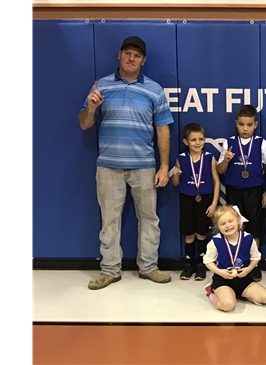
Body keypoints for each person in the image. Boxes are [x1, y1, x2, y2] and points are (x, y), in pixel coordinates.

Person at [79, 36, 174, 289]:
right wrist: (90, 108)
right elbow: (84, 124)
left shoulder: (154, 90)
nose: (131, 59)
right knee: (109, 219)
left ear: (143, 60)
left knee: (149, 219)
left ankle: (149, 267)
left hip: (144, 166)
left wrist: (164, 167)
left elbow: (163, 130)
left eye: (137, 55)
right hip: (108, 166)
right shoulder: (101, 87)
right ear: (119, 55)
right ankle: (110, 270)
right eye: (127, 54)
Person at [216, 105, 266, 282]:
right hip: (234, 192)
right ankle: (233, 262)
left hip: (254, 191)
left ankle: (253, 266)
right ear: (236, 124)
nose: (245, 128)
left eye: (249, 124)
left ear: (255, 124)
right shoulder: (229, 143)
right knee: (234, 228)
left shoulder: (262, 143)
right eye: (241, 124)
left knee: (254, 228)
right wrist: (226, 159)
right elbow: (220, 170)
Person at [171, 123, 219, 281]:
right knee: (189, 234)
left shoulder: (209, 158)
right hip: (187, 200)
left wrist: (213, 204)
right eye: (193, 140)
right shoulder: (181, 159)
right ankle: (189, 264)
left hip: (205, 199)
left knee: (202, 233)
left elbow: (216, 182)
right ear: (186, 142)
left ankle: (201, 265)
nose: (198, 143)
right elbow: (176, 184)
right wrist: (176, 174)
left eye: (201, 139)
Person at [202, 206, 266, 311]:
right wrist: (220, 272)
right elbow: (208, 261)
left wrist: (248, 269)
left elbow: (256, 257)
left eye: (230, 221)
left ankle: (238, 294)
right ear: (217, 226)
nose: (228, 226)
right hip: (223, 279)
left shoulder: (248, 238)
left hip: (243, 279)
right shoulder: (215, 241)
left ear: (238, 220)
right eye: (223, 224)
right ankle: (212, 292)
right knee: (228, 305)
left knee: (265, 297)